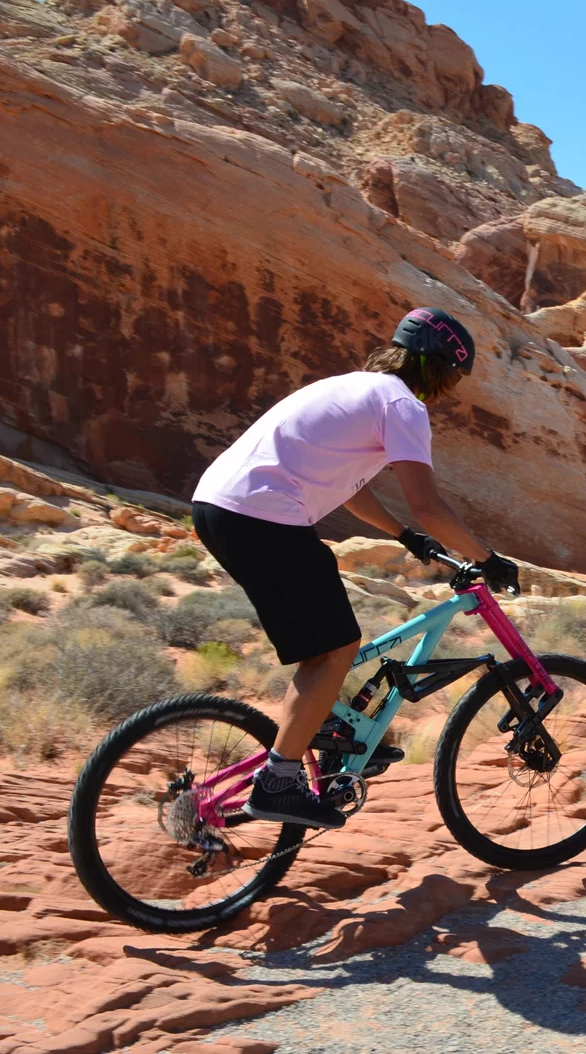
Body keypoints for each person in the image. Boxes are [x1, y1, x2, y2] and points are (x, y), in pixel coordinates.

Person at [191, 308, 519, 829]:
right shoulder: (402, 404)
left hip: (217, 508)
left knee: (325, 646)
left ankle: (326, 741)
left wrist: (405, 538)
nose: (451, 391)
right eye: (454, 378)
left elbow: (354, 487)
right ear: (437, 367)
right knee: (337, 647)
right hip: (262, 515)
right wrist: (486, 558)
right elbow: (429, 505)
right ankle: (277, 782)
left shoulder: (353, 387)